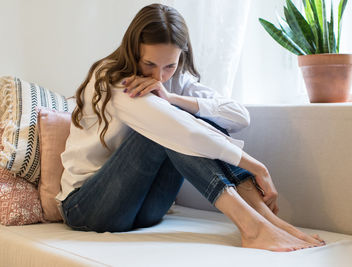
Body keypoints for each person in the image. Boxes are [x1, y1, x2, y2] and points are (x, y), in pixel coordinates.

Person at [56, 3, 325, 252]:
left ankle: (267, 221)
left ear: (180, 57)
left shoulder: (176, 82)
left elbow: (239, 115)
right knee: (170, 128)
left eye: (169, 66)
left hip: (144, 209)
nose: (158, 76)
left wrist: (173, 98)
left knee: (195, 115)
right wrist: (258, 167)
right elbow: (182, 131)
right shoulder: (114, 79)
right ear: (132, 51)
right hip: (87, 207)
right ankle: (252, 227)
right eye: (148, 63)